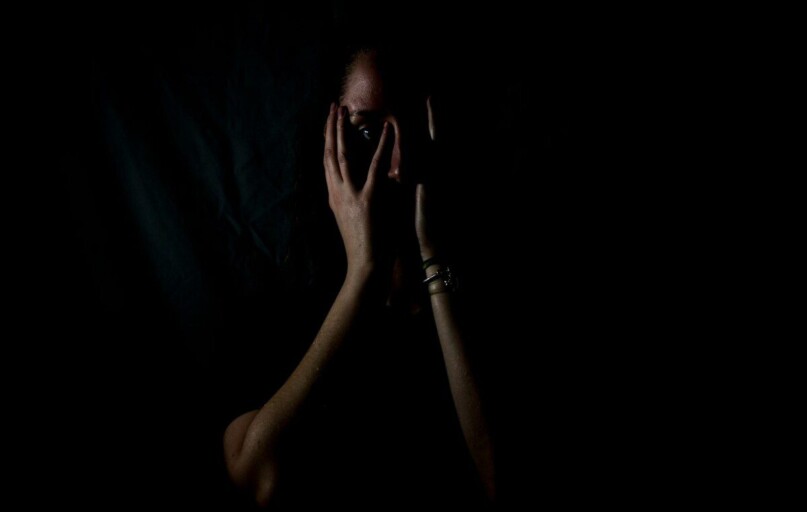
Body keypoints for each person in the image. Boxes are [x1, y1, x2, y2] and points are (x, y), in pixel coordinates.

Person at [221, 43, 495, 508]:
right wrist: (362, 276)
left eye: (414, 130)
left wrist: (432, 253)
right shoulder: (287, 305)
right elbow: (255, 474)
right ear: (329, 146)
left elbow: (499, 485)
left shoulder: (484, 292)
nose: (397, 163)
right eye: (368, 132)